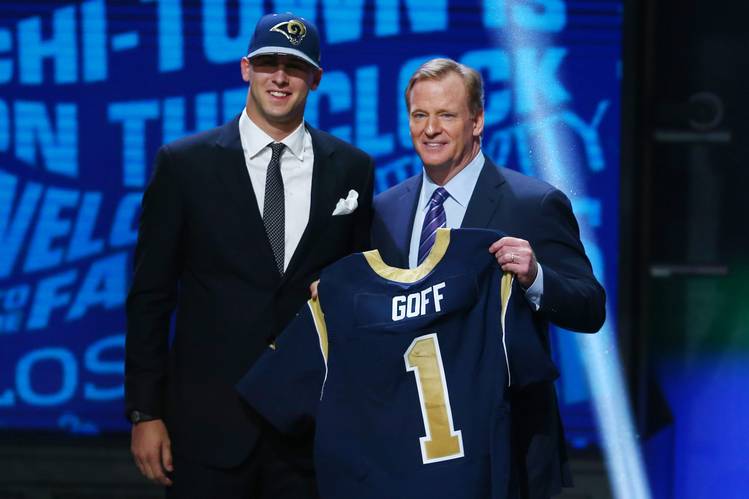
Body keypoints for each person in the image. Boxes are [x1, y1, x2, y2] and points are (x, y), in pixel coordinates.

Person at [125, 12, 374, 499]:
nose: (279, 77)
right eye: (267, 63)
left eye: (294, 66)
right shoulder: (184, 165)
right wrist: (144, 412)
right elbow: (150, 296)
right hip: (206, 427)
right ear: (245, 69)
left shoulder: (352, 169)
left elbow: (360, 289)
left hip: (309, 430)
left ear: (316, 78)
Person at [370, 58, 605, 499]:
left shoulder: (531, 203)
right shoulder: (387, 210)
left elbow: (590, 306)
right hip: (414, 441)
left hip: (506, 447)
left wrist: (536, 276)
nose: (431, 129)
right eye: (420, 115)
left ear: (477, 121)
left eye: (447, 115)